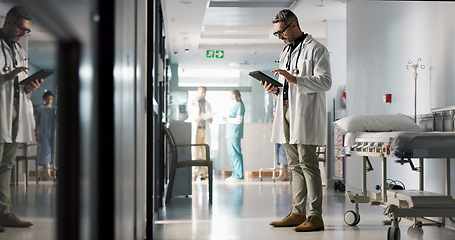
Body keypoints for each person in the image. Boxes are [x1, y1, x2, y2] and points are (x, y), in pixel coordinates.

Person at [263, 9, 331, 232]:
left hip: (304, 113)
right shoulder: (286, 51)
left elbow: (325, 81)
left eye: (281, 32)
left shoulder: (316, 49)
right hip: (285, 110)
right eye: (276, 34)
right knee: (294, 166)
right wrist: (274, 89)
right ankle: (297, 212)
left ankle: (315, 216)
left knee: (308, 164)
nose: (279, 36)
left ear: (293, 25)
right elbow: (287, 88)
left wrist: (295, 79)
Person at [0, 6, 43, 231]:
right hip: (0, 112)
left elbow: (19, 84)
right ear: (9, 21)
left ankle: (4, 213)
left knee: (6, 164)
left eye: (27, 31)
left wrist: (30, 87)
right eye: (21, 29)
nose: (23, 34)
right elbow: (6, 78)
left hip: (15, 111)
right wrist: (5, 77)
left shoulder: (18, 49)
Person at [188, 86, 212, 180]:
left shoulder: (207, 103)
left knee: (205, 152)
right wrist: (198, 117)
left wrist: (209, 118)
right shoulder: (192, 102)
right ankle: (194, 174)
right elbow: (192, 115)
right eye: (202, 92)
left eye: (204, 92)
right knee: (195, 152)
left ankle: (204, 174)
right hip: (196, 129)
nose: (203, 94)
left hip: (205, 129)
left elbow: (210, 116)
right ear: (198, 92)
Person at [223, 89, 245, 182]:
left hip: (234, 133)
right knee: (231, 154)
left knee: (235, 154)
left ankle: (239, 175)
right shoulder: (234, 106)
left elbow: (239, 120)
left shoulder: (239, 105)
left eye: (230, 94)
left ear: (234, 95)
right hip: (230, 133)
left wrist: (227, 119)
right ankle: (235, 174)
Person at [35, 91, 56, 181]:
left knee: (48, 153)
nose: (49, 101)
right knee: (46, 153)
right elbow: (37, 123)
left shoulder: (54, 109)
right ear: (44, 99)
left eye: (51, 99)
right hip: (43, 134)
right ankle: (47, 174)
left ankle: (44, 174)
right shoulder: (40, 109)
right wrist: (36, 134)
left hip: (51, 135)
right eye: (48, 99)